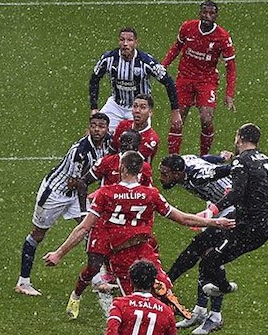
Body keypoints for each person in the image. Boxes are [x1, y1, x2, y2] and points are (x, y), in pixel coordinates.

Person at [43, 151, 234, 317]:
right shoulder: (151, 194)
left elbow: (83, 228)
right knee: (159, 286)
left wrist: (59, 253)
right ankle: (159, 321)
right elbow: (183, 218)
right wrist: (214, 221)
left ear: (122, 169)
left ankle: (154, 325)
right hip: (140, 249)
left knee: (139, 300)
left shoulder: (106, 193)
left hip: (122, 253)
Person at [14, 113, 111, 296]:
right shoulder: (80, 151)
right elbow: (77, 183)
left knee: (92, 230)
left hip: (75, 192)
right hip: (56, 193)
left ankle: (97, 280)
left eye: (101, 126)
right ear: (88, 128)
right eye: (94, 125)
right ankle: (23, 282)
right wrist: (84, 212)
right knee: (38, 234)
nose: (97, 129)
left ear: (107, 129)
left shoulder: (108, 142)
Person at [66, 130, 154, 318]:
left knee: (135, 263)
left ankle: (137, 304)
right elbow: (83, 182)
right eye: (122, 142)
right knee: (93, 267)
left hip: (127, 225)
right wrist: (84, 212)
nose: (125, 146)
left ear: (137, 146)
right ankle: (76, 295)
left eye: (129, 143)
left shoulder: (144, 168)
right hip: (103, 224)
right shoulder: (108, 162)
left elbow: (148, 195)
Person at [199, 123, 268, 299]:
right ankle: (216, 289)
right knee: (210, 247)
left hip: (248, 228)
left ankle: (225, 288)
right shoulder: (267, 160)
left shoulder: (241, 161)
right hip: (263, 223)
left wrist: (212, 209)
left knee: (209, 261)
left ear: (240, 138)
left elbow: (236, 193)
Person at [158, 153, 233, 335]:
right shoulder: (186, 161)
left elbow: (222, 175)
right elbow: (202, 158)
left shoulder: (198, 177)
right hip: (217, 206)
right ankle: (200, 311)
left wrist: (238, 165)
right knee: (203, 254)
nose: (161, 178)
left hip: (233, 209)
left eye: (165, 174)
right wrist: (220, 157)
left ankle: (215, 316)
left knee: (208, 255)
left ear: (177, 173)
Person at [162, 0, 237, 156]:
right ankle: (172, 159)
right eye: (204, 12)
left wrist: (229, 94)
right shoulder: (187, 27)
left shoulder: (222, 37)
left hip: (206, 81)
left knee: (206, 119)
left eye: (211, 13)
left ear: (216, 16)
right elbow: (176, 47)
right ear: (199, 13)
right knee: (178, 120)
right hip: (185, 78)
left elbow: (230, 67)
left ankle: (204, 158)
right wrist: (163, 66)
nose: (207, 16)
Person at [89, 27, 181, 134]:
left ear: (136, 43)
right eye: (122, 39)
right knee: (96, 130)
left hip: (138, 108)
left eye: (129, 40)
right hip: (115, 105)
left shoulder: (146, 62)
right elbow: (94, 79)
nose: (125, 43)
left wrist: (175, 111)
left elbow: (168, 82)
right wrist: (94, 108)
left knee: (137, 142)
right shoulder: (109, 59)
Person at [111, 93, 162, 162]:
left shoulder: (152, 139)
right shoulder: (123, 125)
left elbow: (133, 163)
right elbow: (112, 150)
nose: (137, 110)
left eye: (143, 107)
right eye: (135, 106)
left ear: (150, 112)